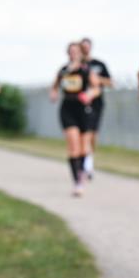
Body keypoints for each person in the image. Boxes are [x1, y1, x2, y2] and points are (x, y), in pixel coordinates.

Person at [50, 42, 101, 196]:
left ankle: (84, 170)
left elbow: (96, 88)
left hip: (83, 109)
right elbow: (54, 86)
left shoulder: (86, 70)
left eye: (76, 51)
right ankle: (78, 181)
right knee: (73, 146)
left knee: (84, 147)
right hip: (67, 108)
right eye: (71, 51)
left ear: (80, 53)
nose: (73, 54)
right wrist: (53, 93)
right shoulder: (63, 71)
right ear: (67, 53)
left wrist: (89, 94)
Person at [79, 37, 112, 180]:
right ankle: (85, 165)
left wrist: (97, 79)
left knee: (92, 135)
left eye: (87, 46)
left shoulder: (99, 64)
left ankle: (88, 162)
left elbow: (110, 82)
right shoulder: (77, 65)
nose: (85, 49)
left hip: (96, 103)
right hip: (79, 104)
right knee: (83, 135)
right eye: (82, 47)